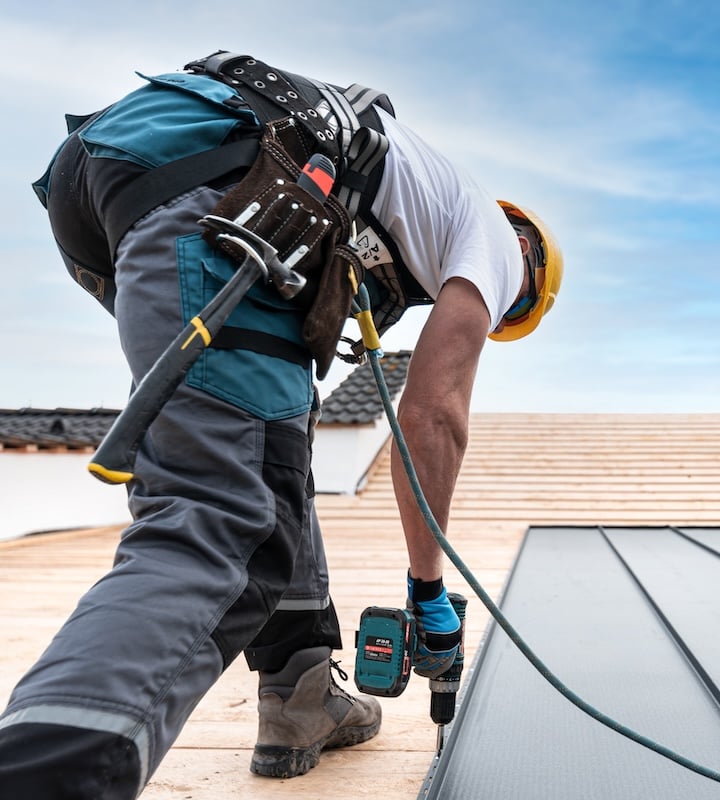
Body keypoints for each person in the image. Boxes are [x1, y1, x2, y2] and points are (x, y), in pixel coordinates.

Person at [0, 51, 562, 799]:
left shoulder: (410, 199)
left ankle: (301, 697)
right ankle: (48, 774)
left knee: (271, 444)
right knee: (222, 519)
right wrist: (427, 588)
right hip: (214, 176)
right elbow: (432, 415)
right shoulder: (494, 245)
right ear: (526, 273)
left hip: (108, 179)